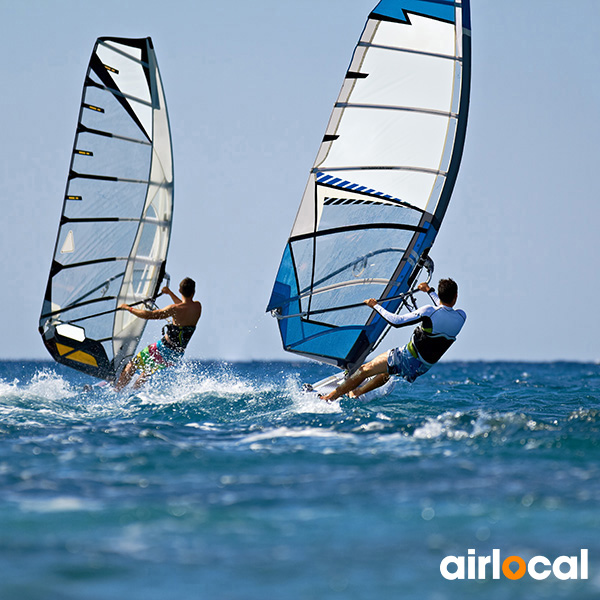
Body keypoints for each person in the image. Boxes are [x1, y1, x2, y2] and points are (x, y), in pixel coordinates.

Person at [321, 278, 466, 402]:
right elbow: (444, 308)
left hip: (407, 357)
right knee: (387, 371)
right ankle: (357, 392)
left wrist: (375, 306)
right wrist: (429, 290)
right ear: (456, 296)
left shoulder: (429, 311)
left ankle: (329, 398)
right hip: (421, 367)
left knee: (364, 370)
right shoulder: (461, 317)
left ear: (440, 295)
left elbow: (397, 321)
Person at [114, 277, 202, 390]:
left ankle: (117, 390)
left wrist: (128, 308)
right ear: (193, 292)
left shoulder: (174, 309)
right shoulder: (197, 307)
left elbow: (149, 315)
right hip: (177, 354)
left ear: (180, 291)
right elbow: (184, 305)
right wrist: (170, 293)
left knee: (133, 364)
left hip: (164, 348)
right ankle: (133, 391)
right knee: (148, 370)